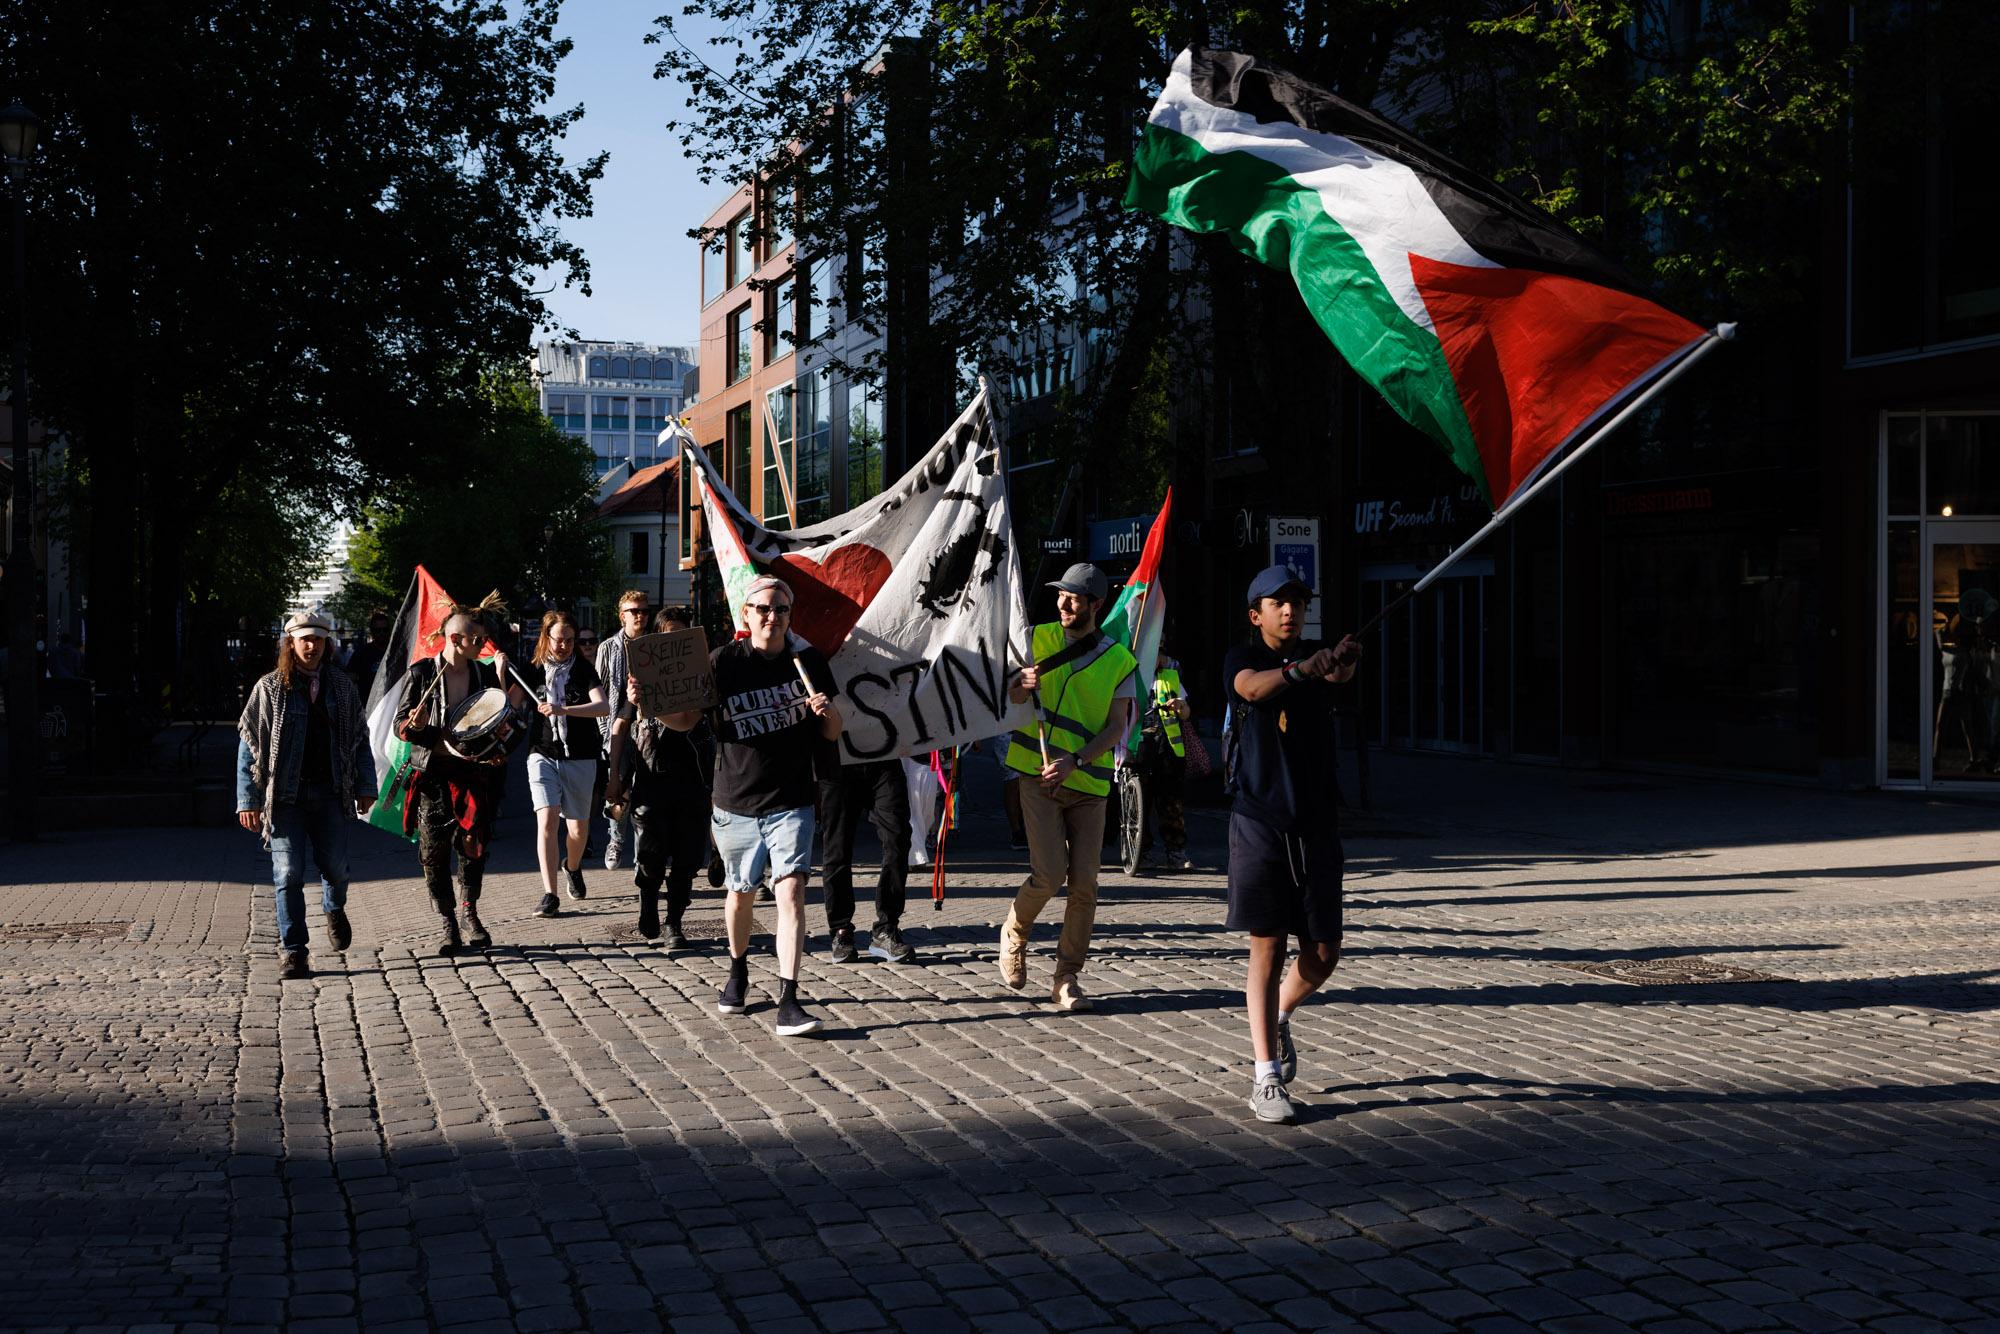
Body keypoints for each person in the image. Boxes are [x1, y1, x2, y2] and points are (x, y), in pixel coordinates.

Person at [660, 576, 840, 1036]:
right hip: (736, 800)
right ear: (746, 614)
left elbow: (835, 732)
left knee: (792, 892)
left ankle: (789, 998)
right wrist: (653, 707)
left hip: (792, 799)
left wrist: (827, 713)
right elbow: (684, 721)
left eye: (780, 609)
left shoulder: (807, 661)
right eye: (762, 608)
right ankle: (737, 971)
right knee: (739, 893)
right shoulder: (722, 663)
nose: (771, 617)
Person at [1224, 564, 1362, 1124]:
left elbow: (1338, 676)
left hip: (1317, 823)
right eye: (1279, 603)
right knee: (1268, 944)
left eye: (1299, 603)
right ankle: (1266, 1077)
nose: (1291, 611)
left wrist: (1343, 658)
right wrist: (1304, 668)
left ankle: (1278, 1014)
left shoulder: (1317, 656)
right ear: (1256, 614)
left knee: (1324, 953)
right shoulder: (1241, 658)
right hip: (1259, 821)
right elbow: (1252, 688)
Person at [998, 563, 1137, 1013]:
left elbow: (1117, 728)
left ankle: (1066, 977)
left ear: (1095, 604)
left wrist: (1075, 760)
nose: (1063, 603)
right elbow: (1007, 698)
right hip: (1035, 774)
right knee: (1050, 874)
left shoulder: (1120, 659)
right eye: (1061, 595)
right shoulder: (1034, 637)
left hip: (1088, 783)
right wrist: (1019, 684)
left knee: (1085, 886)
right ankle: (1014, 933)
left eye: (1075, 598)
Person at [236, 610, 377, 980]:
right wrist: (247, 800)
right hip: (285, 799)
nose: (311, 646)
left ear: (327, 644)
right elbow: (248, 747)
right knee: (288, 873)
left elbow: (360, 741)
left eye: (318, 639)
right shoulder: (268, 688)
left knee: (336, 868)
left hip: (332, 793)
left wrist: (365, 786)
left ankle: (334, 907)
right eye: (304, 639)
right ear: (291, 643)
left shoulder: (342, 687)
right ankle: (294, 950)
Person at [395, 599, 528, 956]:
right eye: (477, 639)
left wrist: (502, 748)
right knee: (433, 852)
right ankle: (447, 921)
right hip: (434, 773)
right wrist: (415, 725)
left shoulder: (482, 674)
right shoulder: (421, 674)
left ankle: (470, 912)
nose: (482, 645)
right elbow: (401, 726)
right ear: (455, 639)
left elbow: (500, 720)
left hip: (472, 772)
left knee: (473, 845)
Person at [607, 607, 714, 948]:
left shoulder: (701, 676)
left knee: (686, 858)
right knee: (651, 855)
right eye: (667, 635)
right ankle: (648, 904)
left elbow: (692, 719)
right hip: (651, 778)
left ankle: (675, 921)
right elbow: (621, 726)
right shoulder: (639, 678)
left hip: (691, 779)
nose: (673, 642)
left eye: (680, 636)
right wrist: (614, 774)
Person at [518, 609, 610, 918]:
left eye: (570, 641)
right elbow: (508, 703)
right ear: (546, 638)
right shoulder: (532, 670)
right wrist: (503, 671)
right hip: (542, 752)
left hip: (581, 755)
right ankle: (549, 893)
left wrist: (564, 710)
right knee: (547, 820)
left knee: (579, 828)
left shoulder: (583, 670)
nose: (565, 646)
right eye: (560, 640)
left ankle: (572, 866)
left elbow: (603, 706)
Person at [820, 753, 917, 966]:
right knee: (837, 849)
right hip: (838, 763)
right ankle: (840, 929)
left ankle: (886, 927)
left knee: (898, 839)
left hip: (883, 759)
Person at [594, 589, 651, 870]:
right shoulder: (608, 648)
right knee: (619, 790)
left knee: (644, 797)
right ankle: (615, 839)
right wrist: (607, 730)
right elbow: (600, 692)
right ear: (622, 616)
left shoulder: (654, 645)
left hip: (649, 727)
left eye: (644, 610)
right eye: (634, 611)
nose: (640, 615)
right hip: (619, 727)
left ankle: (642, 859)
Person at [1140, 651, 1194, 870]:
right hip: (1140, 746)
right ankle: (1141, 852)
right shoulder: (1129, 675)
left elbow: (1187, 713)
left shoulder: (1170, 676)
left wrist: (1181, 707)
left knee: (1171, 802)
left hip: (1168, 747)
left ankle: (1176, 853)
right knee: (1140, 801)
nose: (1158, 656)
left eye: (1160, 650)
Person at [344, 610, 392, 692]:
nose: (382, 633)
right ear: (372, 632)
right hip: (368, 702)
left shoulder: (397, 651)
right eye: (378, 630)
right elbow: (349, 680)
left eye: (385, 630)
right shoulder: (361, 653)